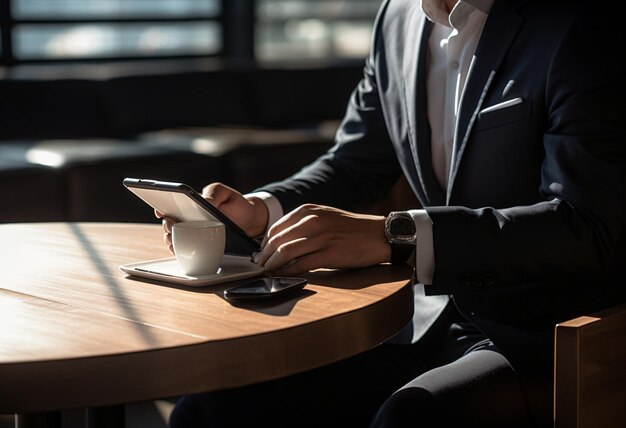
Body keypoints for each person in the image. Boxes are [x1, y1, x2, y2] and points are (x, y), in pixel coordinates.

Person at [159, 0, 626, 426]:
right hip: (420, 319)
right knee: (210, 409)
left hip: (550, 333)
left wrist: (397, 237)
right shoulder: (397, 18)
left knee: (411, 419)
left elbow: (585, 226)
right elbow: (355, 163)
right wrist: (260, 211)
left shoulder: (580, 23)